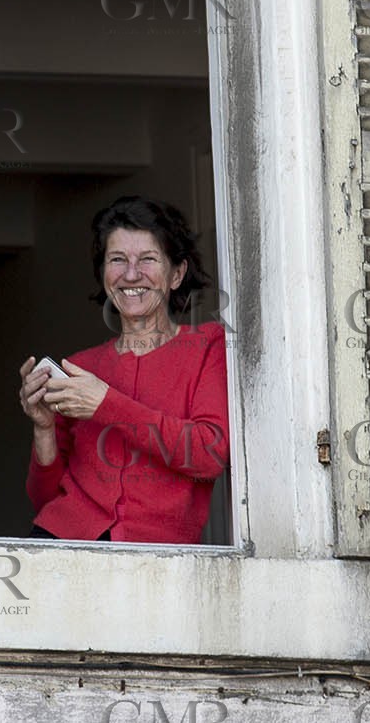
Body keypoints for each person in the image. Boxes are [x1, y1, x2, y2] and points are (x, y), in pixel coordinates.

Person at [17, 195, 229, 544]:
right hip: (61, 546)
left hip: (154, 556)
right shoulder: (80, 368)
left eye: (148, 259)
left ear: (176, 274)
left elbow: (208, 454)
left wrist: (105, 403)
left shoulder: (207, 345)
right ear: (103, 274)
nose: (131, 274)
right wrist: (43, 429)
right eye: (117, 260)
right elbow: (46, 501)